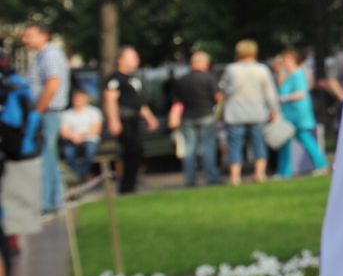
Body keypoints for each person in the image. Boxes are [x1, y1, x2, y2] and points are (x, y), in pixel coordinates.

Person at [19, 22, 66, 220]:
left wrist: (38, 110)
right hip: (44, 111)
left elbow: (53, 84)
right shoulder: (41, 56)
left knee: (47, 154)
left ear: (44, 35)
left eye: (29, 35)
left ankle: (49, 201)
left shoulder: (50, 55)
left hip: (48, 111)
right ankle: (54, 200)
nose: (25, 40)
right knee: (48, 155)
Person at [219, 39, 281, 185]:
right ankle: (259, 173)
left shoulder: (231, 69)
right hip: (257, 111)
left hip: (236, 112)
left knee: (235, 144)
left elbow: (224, 89)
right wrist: (274, 109)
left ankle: (235, 177)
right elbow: (270, 93)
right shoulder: (262, 69)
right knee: (259, 142)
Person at [103, 46, 160, 195]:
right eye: (133, 57)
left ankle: (131, 184)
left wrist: (150, 118)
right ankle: (125, 187)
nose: (137, 60)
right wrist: (114, 121)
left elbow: (139, 103)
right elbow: (110, 100)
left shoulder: (134, 79)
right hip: (124, 120)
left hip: (135, 120)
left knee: (137, 151)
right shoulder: (115, 78)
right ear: (121, 60)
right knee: (130, 151)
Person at [168, 51, 221, 187]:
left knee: (189, 149)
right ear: (204, 63)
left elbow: (177, 102)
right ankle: (211, 177)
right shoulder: (209, 78)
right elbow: (217, 98)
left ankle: (190, 178)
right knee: (208, 147)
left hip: (188, 117)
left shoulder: (182, 80)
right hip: (206, 115)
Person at [274, 48, 328, 177]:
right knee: (287, 142)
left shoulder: (298, 75)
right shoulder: (289, 76)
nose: (284, 62)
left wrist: (284, 98)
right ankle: (284, 171)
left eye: (286, 60)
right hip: (290, 113)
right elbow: (280, 87)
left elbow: (301, 93)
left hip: (298, 113)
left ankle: (321, 164)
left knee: (304, 138)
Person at [58, 88, 104, 186]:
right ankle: (82, 176)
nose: (76, 100)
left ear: (86, 99)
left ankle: (79, 176)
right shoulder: (66, 114)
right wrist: (73, 137)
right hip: (72, 140)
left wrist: (81, 136)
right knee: (68, 152)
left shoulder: (94, 112)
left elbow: (96, 130)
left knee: (89, 150)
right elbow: (63, 131)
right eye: (75, 98)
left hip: (90, 140)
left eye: (79, 98)